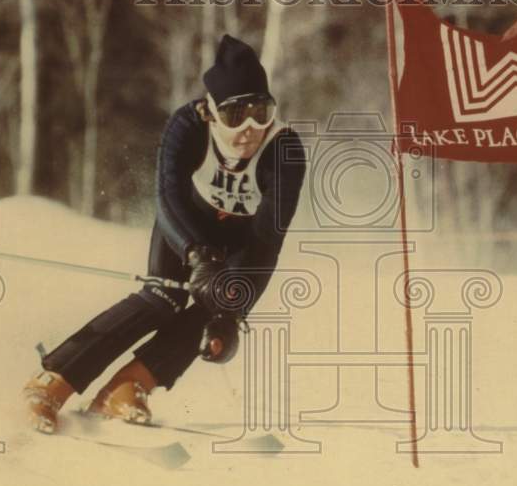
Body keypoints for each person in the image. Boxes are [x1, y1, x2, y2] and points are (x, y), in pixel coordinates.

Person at [23, 34, 306, 433]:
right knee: (161, 298)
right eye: (234, 115)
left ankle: (128, 388)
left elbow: (266, 240)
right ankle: (53, 382)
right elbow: (166, 197)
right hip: (186, 226)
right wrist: (197, 253)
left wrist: (234, 310)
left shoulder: (284, 150)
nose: (249, 129)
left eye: (261, 112)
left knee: (216, 308)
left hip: (241, 240)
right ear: (211, 113)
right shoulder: (188, 125)